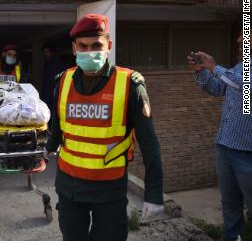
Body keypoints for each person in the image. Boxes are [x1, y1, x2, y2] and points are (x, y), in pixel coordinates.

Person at [44, 14, 164, 241]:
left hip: (108, 189)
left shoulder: (130, 84)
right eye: (83, 46)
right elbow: (59, 124)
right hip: (69, 187)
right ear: (74, 48)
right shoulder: (63, 81)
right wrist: (48, 149)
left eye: (96, 45)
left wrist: (154, 193)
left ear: (108, 46)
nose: (89, 52)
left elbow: (149, 143)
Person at [187, 32, 251, 241]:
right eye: (241, 39)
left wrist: (214, 66)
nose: (240, 42)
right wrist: (202, 71)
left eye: (246, 38)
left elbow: (244, 84)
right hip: (226, 149)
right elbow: (218, 88)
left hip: (247, 154)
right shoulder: (239, 68)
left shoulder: (240, 73)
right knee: (230, 203)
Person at [41, 43, 66, 113]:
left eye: (47, 52)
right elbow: (45, 83)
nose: (45, 54)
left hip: (55, 99)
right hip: (47, 99)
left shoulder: (60, 65)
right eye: (44, 53)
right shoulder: (47, 65)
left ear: (53, 53)